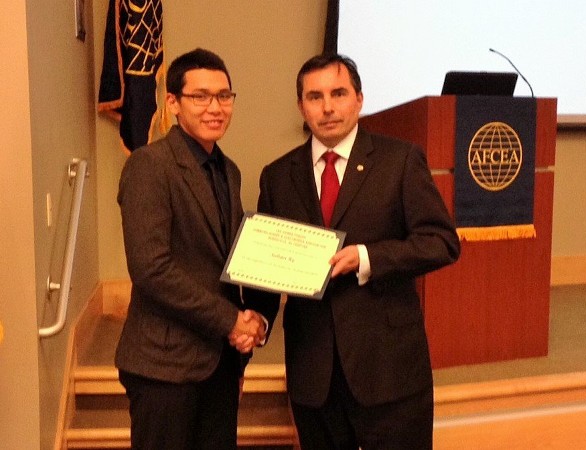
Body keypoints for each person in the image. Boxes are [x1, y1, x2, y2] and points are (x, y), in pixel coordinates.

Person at [253, 53, 461, 449]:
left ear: (360, 100)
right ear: (301, 106)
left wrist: (368, 258)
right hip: (313, 372)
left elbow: (441, 242)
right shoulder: (278, 175)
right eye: (315, 97)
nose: (328, 107)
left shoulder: (399, 160)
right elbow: (269, 261)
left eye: (339, 93)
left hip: (389, 369)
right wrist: (257, 320)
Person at [115, 48, 279, 450]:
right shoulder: (149, 165)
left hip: (219, 363)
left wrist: (255, 319)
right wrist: (231, 321)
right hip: (164, 366)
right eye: (200, 96)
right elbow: (151, 269)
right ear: (172, 102)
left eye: (224, 96)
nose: (215, 107)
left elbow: (234, 263)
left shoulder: (229, 169)